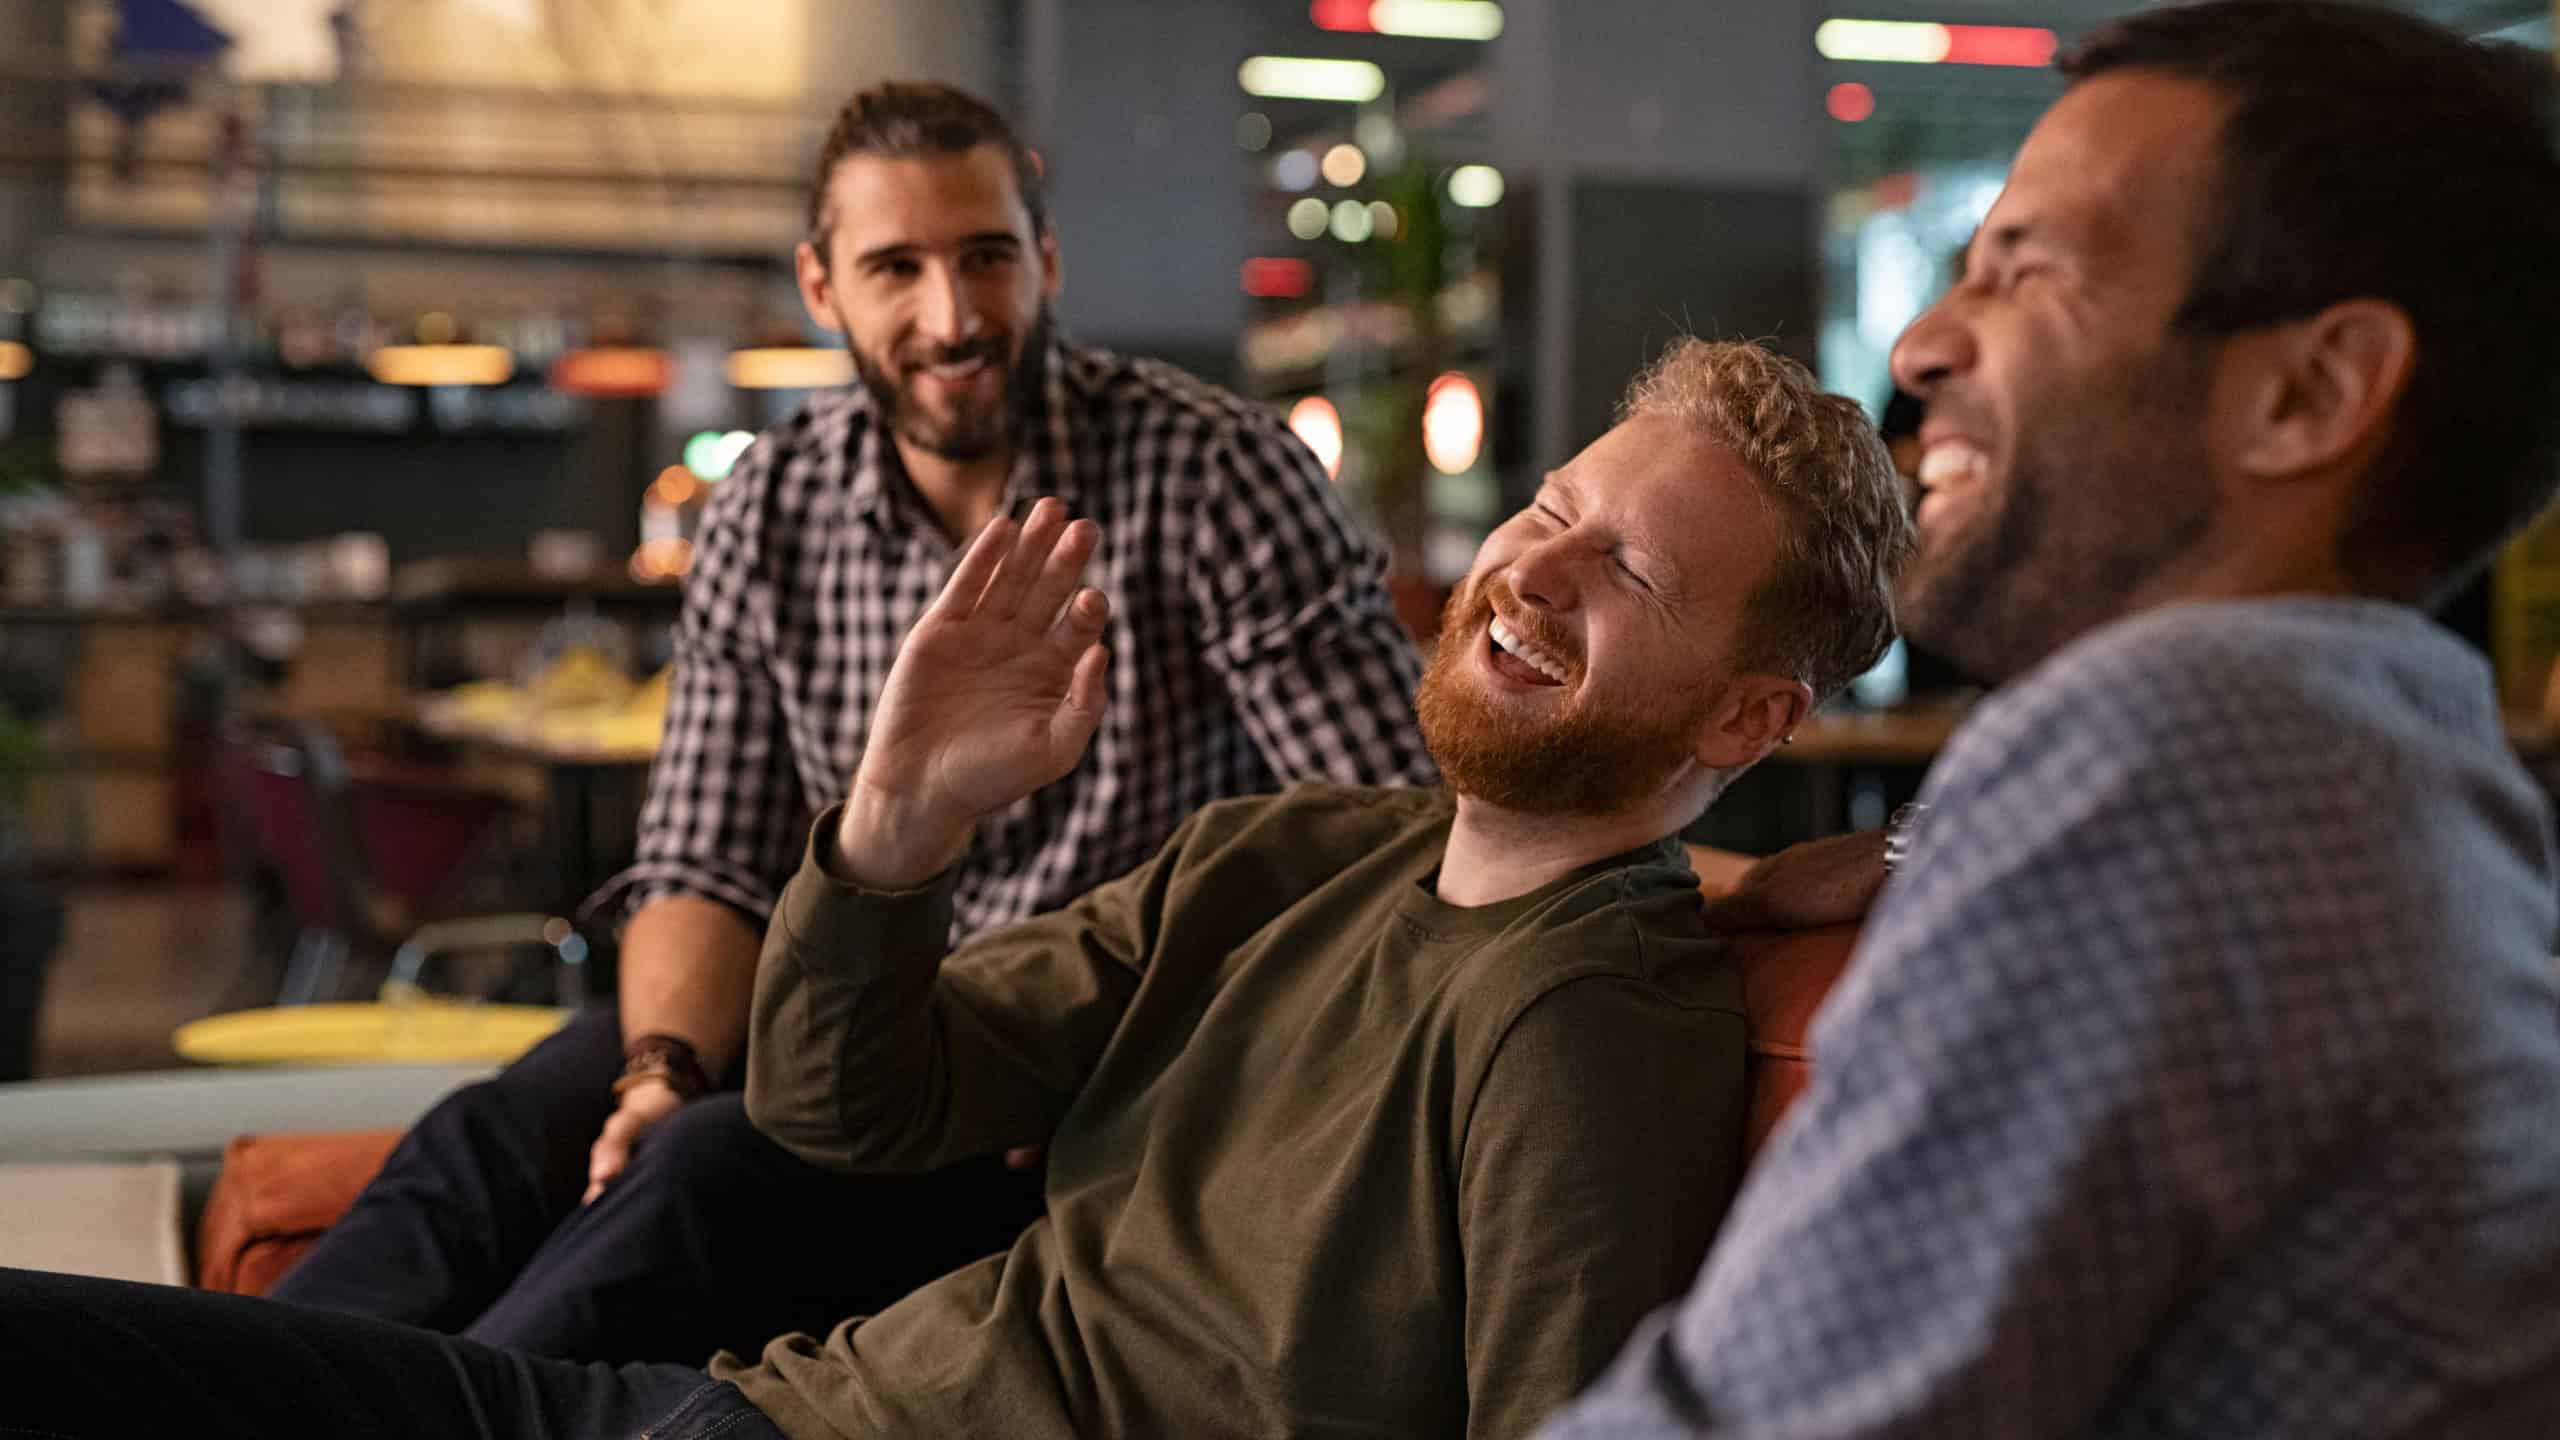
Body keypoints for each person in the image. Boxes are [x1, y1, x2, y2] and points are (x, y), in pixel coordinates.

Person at [0, 337, 1911, 1440]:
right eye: (1551, 511)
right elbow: (853, 1105)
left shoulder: (1590, 1019)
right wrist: (893, 832)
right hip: (772, 1407)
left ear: (1749, 708)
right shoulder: (1292, 858)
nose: (1534, 569)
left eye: (1628, 577)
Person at [265, 81, 1440, 1363]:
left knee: (701, 1182)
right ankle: (208, 1393)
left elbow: (1388, 838)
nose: (953, 317)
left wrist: (1138, 1063)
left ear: (1044, 260)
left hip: (1058, 1059)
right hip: (830, 1009)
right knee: (491, 1140)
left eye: (987, 257)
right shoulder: (772, 503)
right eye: (897, 268)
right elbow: (703, 861)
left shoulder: (1216, 471)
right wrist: (660, 1064)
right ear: (822, 289)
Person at [1541, 4, 2560, 1436]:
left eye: (2027, 271)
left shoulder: (2177, 744)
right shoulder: (2399, 745)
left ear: (2310, 392)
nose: (1917, 344)